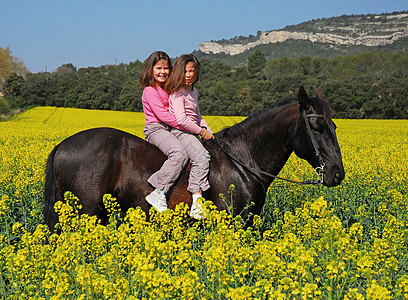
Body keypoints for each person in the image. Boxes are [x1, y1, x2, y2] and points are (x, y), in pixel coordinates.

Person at [164, 54, 214, 219]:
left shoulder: (194, 92)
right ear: (179, 72)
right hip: (180, 132)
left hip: (192, 132)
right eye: (185, 71)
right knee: (201, 157)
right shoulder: (178, 93)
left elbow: (197, 116)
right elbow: (182, 120)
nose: (189, 75)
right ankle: (196, 200)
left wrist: (208, 129)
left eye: (192, 71)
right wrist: (201, 132)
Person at [140, 51, 189, 212]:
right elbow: (163, 116)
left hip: (172, 129)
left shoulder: (169, 89)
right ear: (151, 69)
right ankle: (158, 191)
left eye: (166, 68)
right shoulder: (150, 90)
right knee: (179, 153)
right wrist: (186, 125)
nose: (163, 72)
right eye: (158, 68)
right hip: (156, 129)